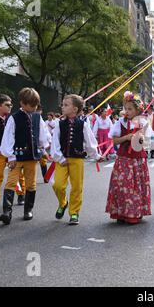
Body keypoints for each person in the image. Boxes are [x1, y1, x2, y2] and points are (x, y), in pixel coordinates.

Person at [0, 88, 49, 225]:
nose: (33, 108)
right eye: (31, 105)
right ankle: (7, 212)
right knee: (11, 182)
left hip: (32, 156)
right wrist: (10, 156)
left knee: (31, 183)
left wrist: (43, 150)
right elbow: (8, 137)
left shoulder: (38, 117)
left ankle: (28, 210)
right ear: (22, 103)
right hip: (16, 157)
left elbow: (42, 135)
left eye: (35, 105)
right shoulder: (14, 118)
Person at [51, 95, 103, 225]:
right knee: (58, 185)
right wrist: (59, 158)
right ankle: (63, 203)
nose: (62, 107)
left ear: (74, 109)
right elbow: (55, 143)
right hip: (62, 160)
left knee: (76, 187)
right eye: (63, 104)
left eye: (65, 105)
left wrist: (96, 155)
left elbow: (90, 143)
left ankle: (74, 212)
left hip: (77, 159)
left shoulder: (83, 125)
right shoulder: (59, 124)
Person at [106, 92, 151, 224]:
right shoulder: (121, 122)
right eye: (125, 108)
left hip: (137, 159)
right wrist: (126, 138)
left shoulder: (143, 123)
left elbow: (147, 142)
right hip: (124, 159)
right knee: (123, 185)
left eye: (130, 109)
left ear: (138, 109)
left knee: (136, 185)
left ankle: (134, 212)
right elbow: (114, 141)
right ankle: (121, 212)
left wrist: (140, 138)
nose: (127, 111)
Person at [0, 94, 26, 210]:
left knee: (19, 175)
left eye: (11, 104)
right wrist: (0, 149)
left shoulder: (13, 119)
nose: (10, 106)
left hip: (13, 152)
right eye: (7, 105)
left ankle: (21, 194)